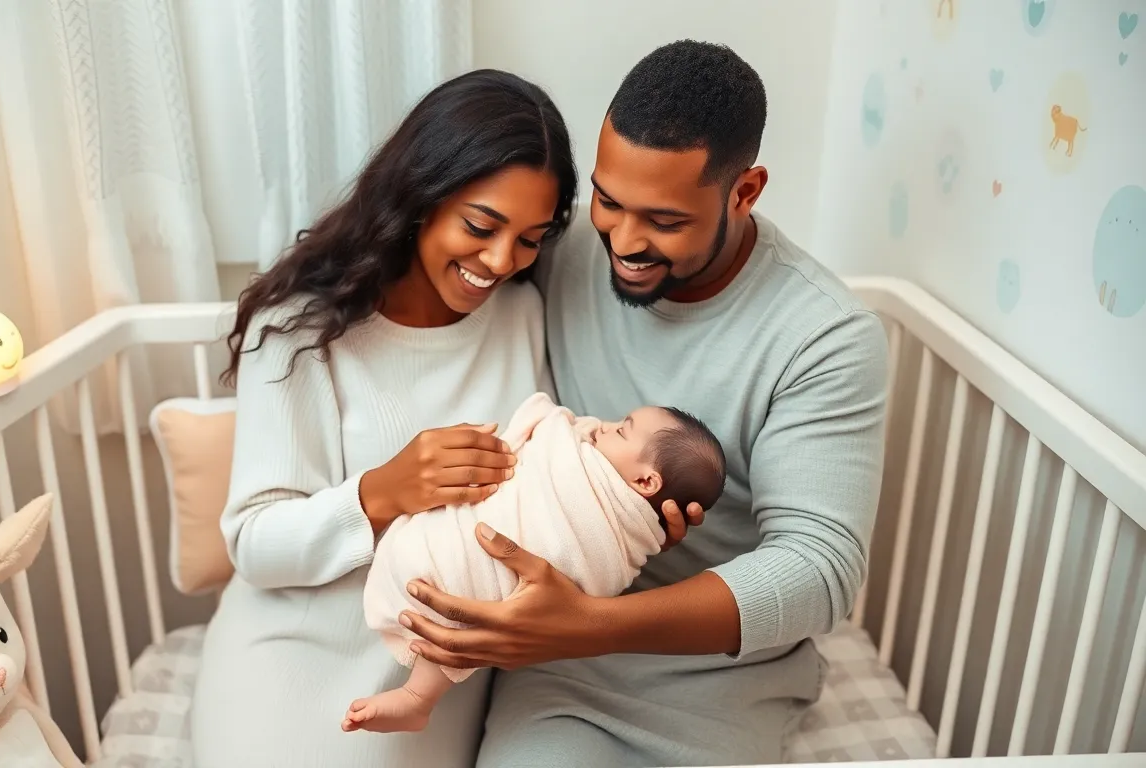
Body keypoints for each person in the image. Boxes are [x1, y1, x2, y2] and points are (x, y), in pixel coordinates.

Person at [400, 40, 891, 767]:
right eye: (607, 200)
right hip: (560, 666)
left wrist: (591, 623)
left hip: (716, 673)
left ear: (745, 191)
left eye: (664, 220)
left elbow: (820, 570)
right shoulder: (560, 250)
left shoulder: (824, 337)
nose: (623, 241)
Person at [187, 69, 577, 768]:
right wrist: (381, 493)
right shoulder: (299, 329)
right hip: (290, 656)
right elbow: (254, 544)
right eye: (481, 226)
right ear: (421, 195)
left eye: (530, 238)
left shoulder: (522, 314)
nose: (499, 261)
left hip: (429, 677)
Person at [344, 392, 726, 734]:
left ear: (645, 482)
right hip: (464, 557)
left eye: (621, 431)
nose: (604, 426)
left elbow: (593, 565)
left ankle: (417, 698)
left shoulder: (620, 521)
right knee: (460, 617)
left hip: (483, 575)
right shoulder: (614, 487)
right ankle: (419, 696)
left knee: (466, 611)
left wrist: (552, 424)